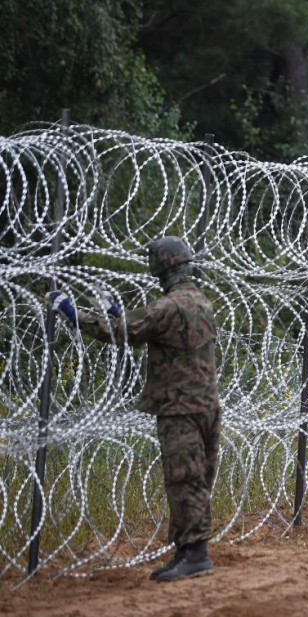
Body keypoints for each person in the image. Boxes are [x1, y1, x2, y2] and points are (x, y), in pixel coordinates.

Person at [49, 236, 219, 581]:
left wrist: (72, 313)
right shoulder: (200, 302)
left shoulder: (168, 306)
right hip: (206, 405)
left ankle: (196, 555)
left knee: (184, 481)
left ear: (162, 267)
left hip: (180, 408)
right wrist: (116, 313)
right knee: (195, 480)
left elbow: (120, 331)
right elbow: (151, 333)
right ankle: (187, 551)